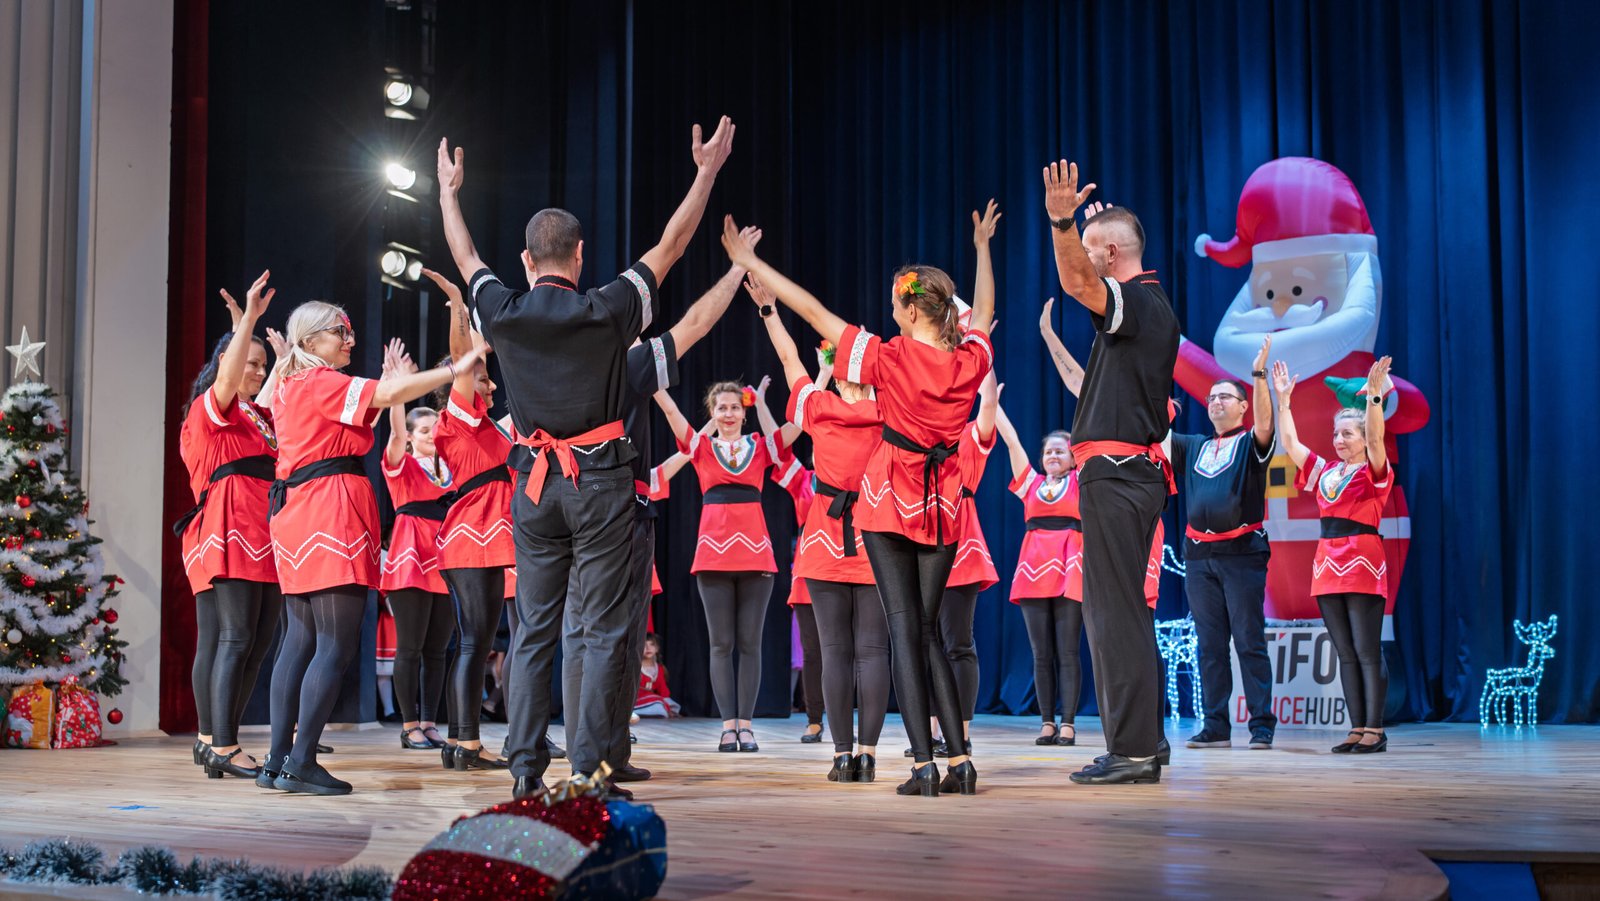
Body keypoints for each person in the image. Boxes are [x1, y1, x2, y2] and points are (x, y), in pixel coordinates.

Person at [436, 116, 734, 798]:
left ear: (526, 260)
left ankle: (523, 768)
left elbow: (466, 256)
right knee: (599, 630)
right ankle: (588, 769)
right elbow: (671, 245)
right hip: (600, 484)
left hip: (533, 488)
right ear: (578, 256)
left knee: (533, 629)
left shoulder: (503, 312)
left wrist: (449, 194)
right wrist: (706, 173)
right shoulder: (608, 308)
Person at [721, 199, 1000, 797]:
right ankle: (960, 761)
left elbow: (813, 313)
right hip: (943, 505)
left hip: (892, 500)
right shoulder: (970, 360)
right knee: (928, 632)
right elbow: (982, 314)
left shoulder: (890, 357)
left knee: (904, 631)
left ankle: (924, 766)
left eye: (896, 304)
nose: (891, 312)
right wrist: (982, 249)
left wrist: (753, 263)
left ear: (909, 309)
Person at [563, 231, 760, 792]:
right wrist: (737, 267)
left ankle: (609, 751)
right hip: (611, 506)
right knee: (596, 634)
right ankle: (588, 757)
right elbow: (695, 323)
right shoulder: (625, 362)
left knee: (620, 634)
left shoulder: (581, 360)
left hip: (600, 505)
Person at [263, 300, 484, 795]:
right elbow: (383, 395)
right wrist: (453, 369)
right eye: (339, 332)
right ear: (309, 340)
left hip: (298, 510)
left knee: (298, 639)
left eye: (350, 330)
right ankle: (300, 761)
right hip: (328, 508)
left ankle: (277, 761)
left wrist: (394, 387)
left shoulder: (291, 385)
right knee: (334, 642)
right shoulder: (321, 381)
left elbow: (377, 401)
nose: (350, 339)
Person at [1042, 160, 1178, 786]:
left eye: (1096, 248)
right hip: (1123, 476)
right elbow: (1086, 274)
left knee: (1114, 614)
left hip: (1120, 476)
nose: (1085, 257)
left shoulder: (1141, 302)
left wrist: (1062, 222)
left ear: (1114, 254)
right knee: (1121, 612)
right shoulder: (1141, 308)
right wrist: (1084, 233)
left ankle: (1134, 751)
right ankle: (1145, 741)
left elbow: (1076, 281)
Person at [753, 276, 888, 783]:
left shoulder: (819, 407)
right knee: (872, 650)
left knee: (834, 650)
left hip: (824, 537)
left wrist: (770, 311)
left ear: (838, 377)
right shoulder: (889, 412)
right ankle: (868, 756)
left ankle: (841, 756)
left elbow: (790, 360)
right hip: (877, 534)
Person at [177, 271, 283, 780]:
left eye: (263, 366)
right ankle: (221, 743)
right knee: (232, 638)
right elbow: (231, 373)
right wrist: (248, 324)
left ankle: (211, 739)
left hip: (263, 529)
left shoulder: (256, 417)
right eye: (251, 364)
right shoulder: (211, 410)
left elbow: (274, 394)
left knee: (256, 644)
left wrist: (277, 354)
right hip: (227, 526)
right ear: (228, 363)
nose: (258, 372)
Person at [414, 271, 518, 773]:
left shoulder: (484, 425)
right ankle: (467, 744)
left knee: (476, 643)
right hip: (473, 535)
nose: (490, 383)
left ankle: (461, 742)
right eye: (482, 377)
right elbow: (463, 362)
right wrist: (459, 303)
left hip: (485, 538)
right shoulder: (458, 416)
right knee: (475, 643)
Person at [654, 375, 790, 752]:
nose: (728, 413)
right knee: (721, 644)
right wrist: (652, 379)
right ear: (712, 413)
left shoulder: (759, 446)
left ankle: (746, 727)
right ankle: (728, 727)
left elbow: (792, 430)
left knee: (749, 643)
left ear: (744, 413)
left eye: (734, 407)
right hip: (712, 553)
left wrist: (762, 403)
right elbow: (670, 411)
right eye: (721, 408)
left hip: (756, 553)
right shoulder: (700, 447)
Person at [1273, 356, 1396, 754]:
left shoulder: (1374, 471)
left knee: (1366, 649)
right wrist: (1283, 402)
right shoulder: (1326, 471)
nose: (1339, 440)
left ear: (1362, 437)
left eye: (1347, 433)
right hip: (1327, 562)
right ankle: (1357, 727)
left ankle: (1376, 729)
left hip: (1362, 559)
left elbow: (1376, 440)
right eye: (1336, 433)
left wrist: (1373, 397)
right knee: (1344, 651)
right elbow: (1290, 444)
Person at [1170, 336, 1278, 751]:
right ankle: (1215, 725)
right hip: (1200, 556)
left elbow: (1266, 424)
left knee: (1249, 640)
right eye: (1212, 397)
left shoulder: (1251, 443)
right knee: (1210, 644)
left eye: (1225, 397)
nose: (1215, 402)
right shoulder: (1194, 445)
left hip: (1242, 554)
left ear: (1242, 406)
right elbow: (1155, 432)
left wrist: (1258, 375)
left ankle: (1261, 725)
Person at [995, 412, 1084, 748]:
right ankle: (1047, 722)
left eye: (1060, 451)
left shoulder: (1081, 480)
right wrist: (992, 405)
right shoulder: (1030, 484)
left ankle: (1068, 723)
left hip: (1069, 568)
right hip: (1033, 571)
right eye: (1048, 451)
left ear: (1074, 457)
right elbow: (1011, 441)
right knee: (1040, 652)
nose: (1053, 456)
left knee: (1068, 650)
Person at [377, 389, 455, 754]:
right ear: (410, 436)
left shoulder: (451, 470)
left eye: (436, 429)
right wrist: (398, 394)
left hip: (445, 558)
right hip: (410, 558)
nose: (432, 435)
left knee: (437, 650)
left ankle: (429, 723)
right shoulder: (402, 463)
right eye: (424, 431)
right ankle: (409, 726)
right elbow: (393, 435)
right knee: (409, 647)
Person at [634, 633, 680, 718]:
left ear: (657, 648)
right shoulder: (636, 667)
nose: (648, 648)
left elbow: (662, 689)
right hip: (637, 699)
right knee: (657, 701)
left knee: (670, 704)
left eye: (652, 645)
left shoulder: (659, 668)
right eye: (644, 645)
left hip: (652, 698)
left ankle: (656, 711)